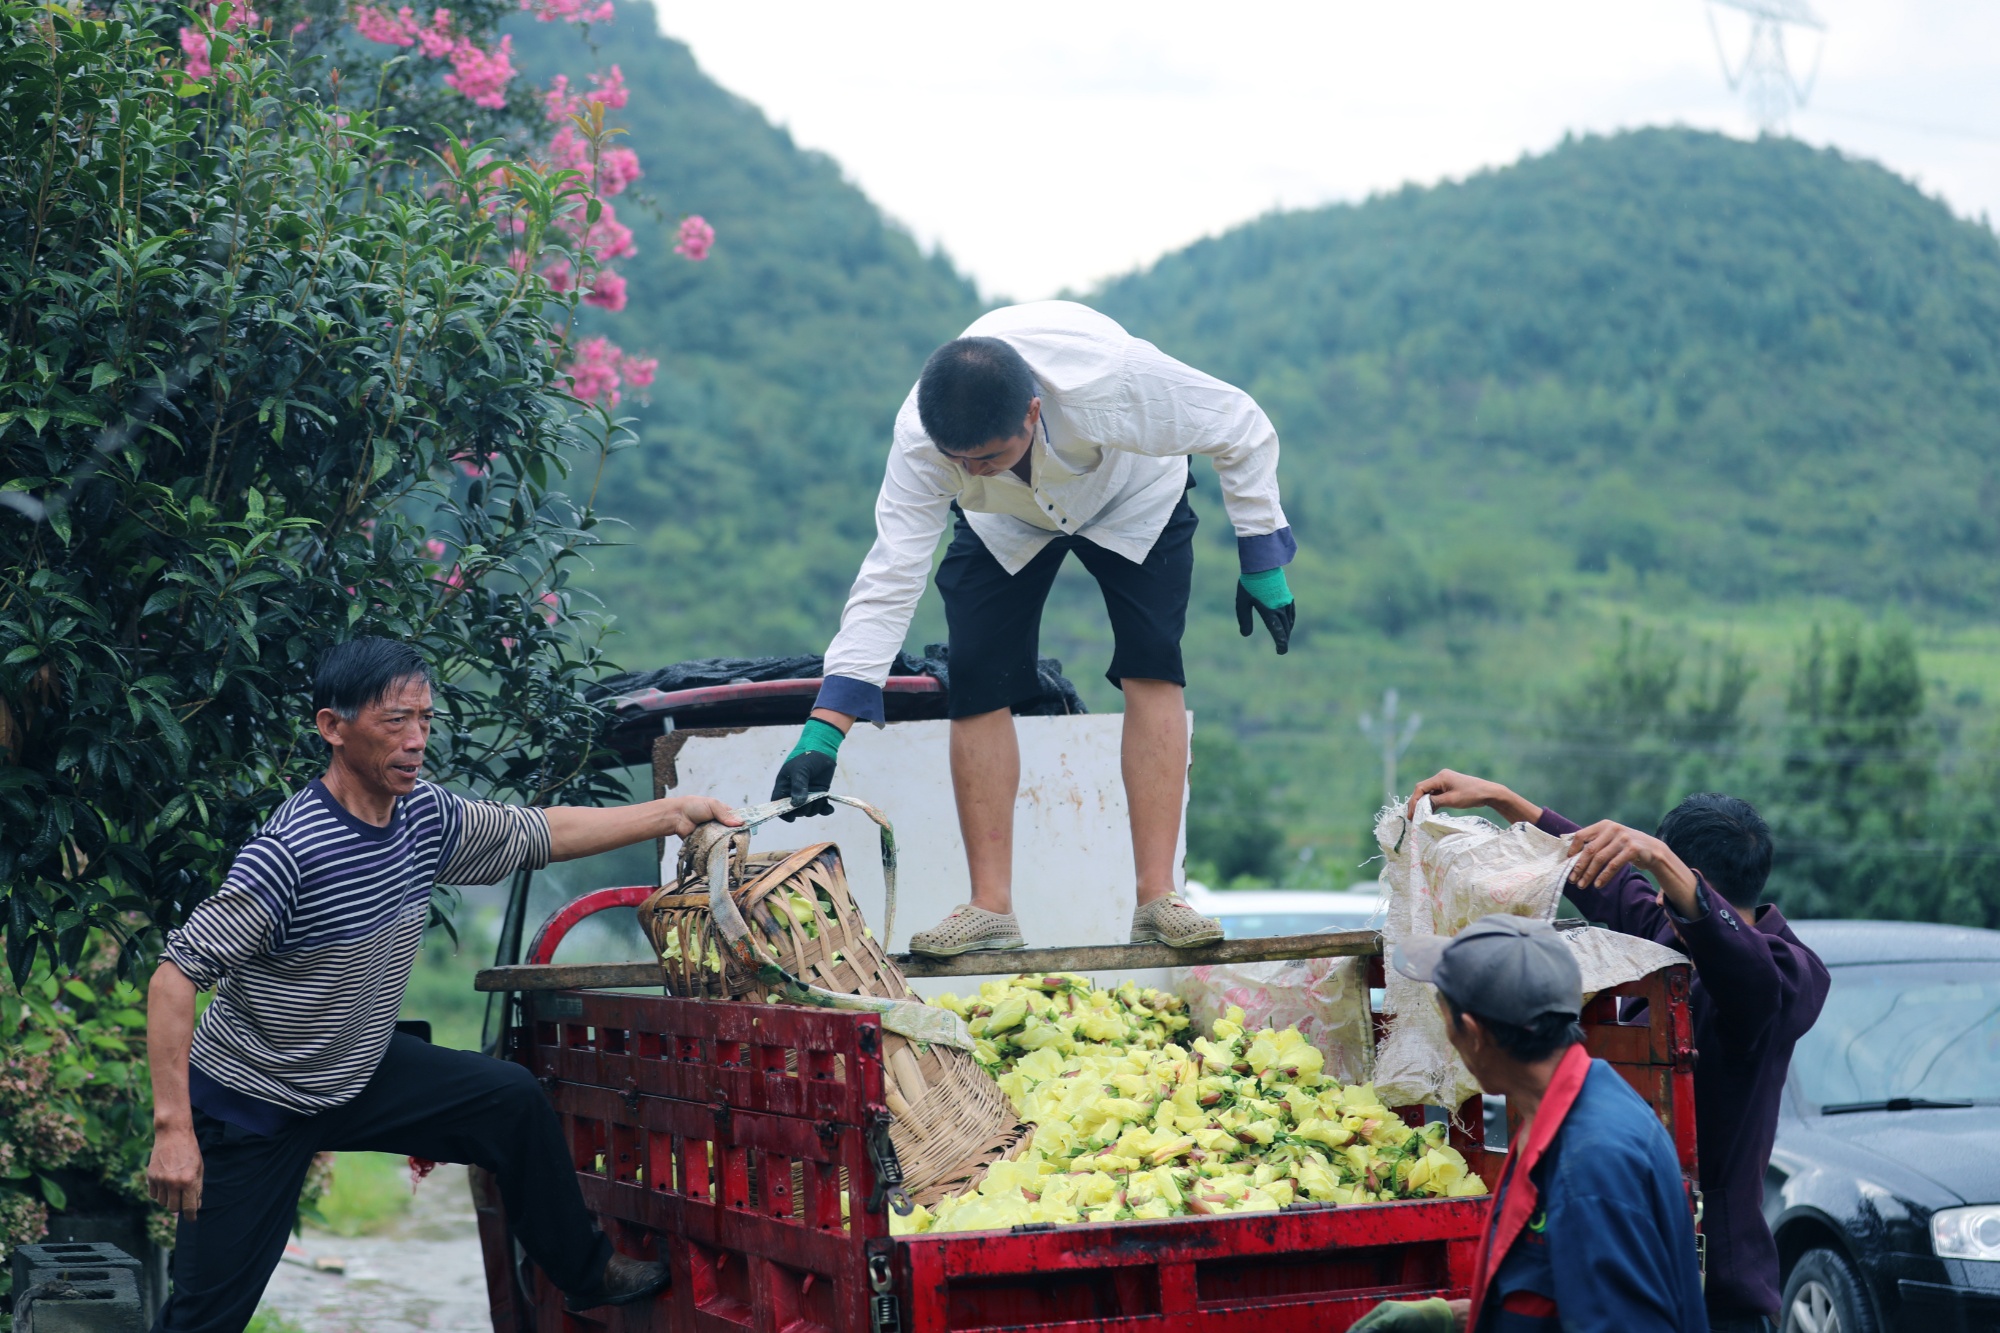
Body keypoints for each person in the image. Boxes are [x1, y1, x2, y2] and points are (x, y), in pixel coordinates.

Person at [144, 637, 742, 1330]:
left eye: (425, 719)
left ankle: (585, 1272)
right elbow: (175, 976)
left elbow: (539, 831)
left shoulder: (424, 817)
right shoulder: (291, 853)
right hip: (255, 1099)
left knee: (509, 1100)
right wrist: (173, 1129)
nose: (415, 739)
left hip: (354, 1068)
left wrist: (671, 814)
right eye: (395, 720)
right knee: (206, 1316)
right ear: (333, 728)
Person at [768, 301, 1296, 957]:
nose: (976, 468)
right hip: (1003, 523)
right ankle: (991, 908)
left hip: (1134, 497)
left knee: (1151, 663)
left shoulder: (1113, 379)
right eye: (961, 461)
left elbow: (1240, 424)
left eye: (989, 455)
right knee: (978, 679)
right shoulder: (921, 440)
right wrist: (827, 726)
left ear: (1033, 412)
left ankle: (1157, 897)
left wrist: (1262, 558)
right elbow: (892, 571)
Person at [1407, 770, 1830, 1333]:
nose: (1653, 892)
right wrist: (1505, 800)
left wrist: (1662, 860)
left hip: (1720, 1291)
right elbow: (1604, 886)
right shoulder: (1673, 931)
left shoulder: (1785, 974)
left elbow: (1749, 979)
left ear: (1681, 880)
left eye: (1662, 876)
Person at [1353, 915, 1707, 1333]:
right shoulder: (1565, 1108)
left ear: (1472, 1032)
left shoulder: (1592, 1165)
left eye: (1442, 1014)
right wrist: (1461, 1317)